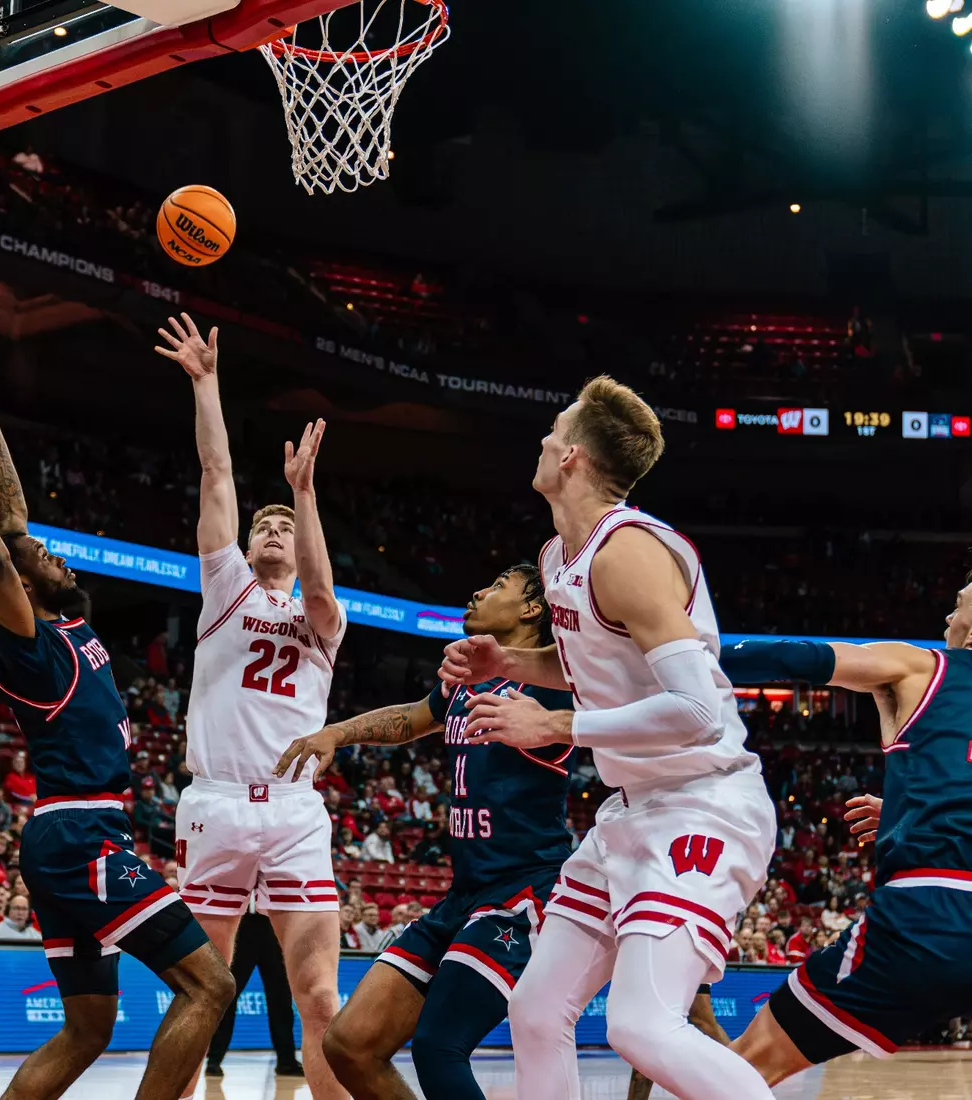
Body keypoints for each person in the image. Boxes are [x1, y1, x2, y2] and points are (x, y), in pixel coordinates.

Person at [438, 377, 776, 1100]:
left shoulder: (626, 553)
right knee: (534, 1012)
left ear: (572, 457)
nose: (541, 439)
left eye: (553, 430)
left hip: (703, 802)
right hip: (630, 811)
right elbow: (593, 666)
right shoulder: (557, 556)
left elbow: (697, 710)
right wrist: (510, 664)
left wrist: (558, 723)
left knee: (641, 1026)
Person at [0, 378, 231, 1099]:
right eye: (43, 559)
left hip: (75, 835)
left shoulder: (71, 625)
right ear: (23, 588)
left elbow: (11, 525)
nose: (56, 555)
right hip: (79, 834)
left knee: (88, 1028)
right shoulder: (33, 651)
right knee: (210, 984)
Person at [282, 565, 574, 1100]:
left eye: (498, 587)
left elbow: (620, 706)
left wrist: (559, 722)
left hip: (522, 894)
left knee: (439, 1046)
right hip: (463, 895)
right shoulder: (467, 681)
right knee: (348, 1044)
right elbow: (414, 717)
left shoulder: (556, 689)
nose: (478, 591)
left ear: (532, 608)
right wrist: (338, 732)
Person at [648, 621, 972, 1089]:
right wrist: (909, 812)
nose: (947, 620)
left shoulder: (922, 665)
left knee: (744, 1070)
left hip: (930, 916)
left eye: (959, 604)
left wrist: (663, 655)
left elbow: (795, 657)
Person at [161, 314, 345, 1100]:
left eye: (283, 527)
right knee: (201, 993)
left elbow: (322, 588)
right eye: (263, 525)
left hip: (295, 809)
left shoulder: (322, 619)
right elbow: (216, 474)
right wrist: (206, 384)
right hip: (218, 805)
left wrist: (303, 495)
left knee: (320, 999)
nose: (271, 531)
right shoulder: (227, 590)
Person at [205, 904, 299, 1079]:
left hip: (272, 923)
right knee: (229, 993)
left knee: (281, 997)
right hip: (241, 922)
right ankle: (214, 1059)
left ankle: (287, 1061)